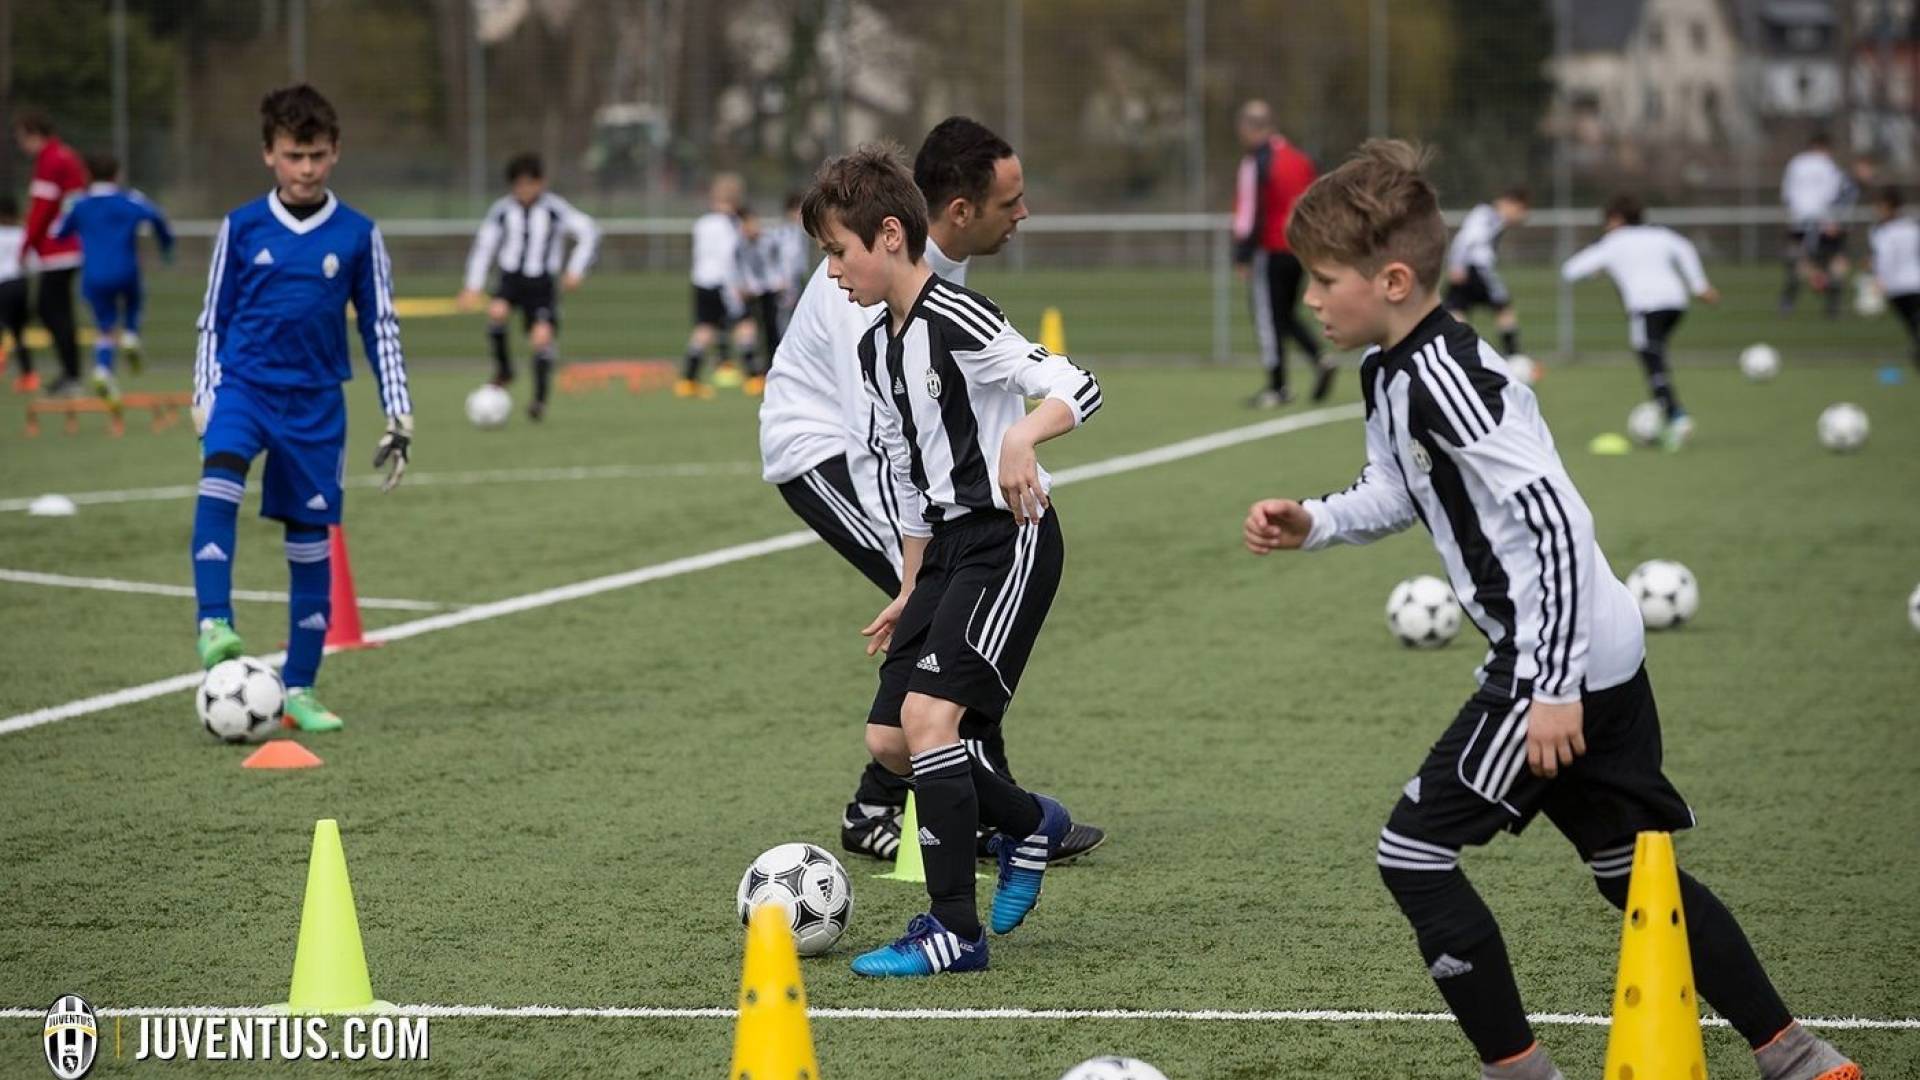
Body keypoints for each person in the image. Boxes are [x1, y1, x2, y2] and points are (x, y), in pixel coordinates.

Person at [1242, 139, 1861, 1080]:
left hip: (1554, 657)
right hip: (1594, 644)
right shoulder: (1391, 370)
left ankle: (1522, 1073)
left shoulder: (1444, 379)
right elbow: (1398, 489)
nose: (1312, 298)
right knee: (1632, 874)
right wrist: (1314, 520)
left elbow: (1559, 522)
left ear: (1394, 280)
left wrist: (1552, 686)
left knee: (1413, 855)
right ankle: (1799, 1056)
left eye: (1326, 280)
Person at [759, 116, 1105, 867]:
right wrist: (918, 570)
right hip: (819, 451)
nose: (1022, 214)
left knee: (951, 637)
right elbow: (878, 442)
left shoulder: (933, 281)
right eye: (1009, 202)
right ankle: (932, 810)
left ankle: (953, 802)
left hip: (903, 472)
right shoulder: (861, 285)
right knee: (939, 623)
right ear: (959, 211)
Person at [190, 84, 413, 733]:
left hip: (316, 405)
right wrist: (205, 393)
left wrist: (398, 413)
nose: (306, 169)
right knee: (220, 480)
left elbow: (381, 326)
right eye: (294, 155)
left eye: (317, 155)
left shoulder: (358, 234)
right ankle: (214, 622)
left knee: (310, 543)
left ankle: (302, 689)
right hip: (246, 387)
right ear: (269, 154)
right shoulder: (241, 226)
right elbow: (212, 318)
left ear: (336, 151)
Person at [1559, 196, 1717, 451]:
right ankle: (1664, 409)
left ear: (1616, 219)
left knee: (1651, 358)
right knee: (1654, 355)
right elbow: (1685, 248)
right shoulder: (1660, 234)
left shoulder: (1612, 242)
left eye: (1607, 222)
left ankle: (1677, 417)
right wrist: (1699, 285)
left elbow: (1569, 270)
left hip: (1646, 306)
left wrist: (1596, 270)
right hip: (1676, 303)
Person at [459, 151, 599, 420]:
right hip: (511, 278)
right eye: (519, 184)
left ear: (541, 183)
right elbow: (484, 247)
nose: (524, 190)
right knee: (497, 312)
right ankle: (504, 370)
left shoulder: (554, 209)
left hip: (542, 283)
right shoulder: (502, 211)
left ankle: (539, 400)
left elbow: (589, 232)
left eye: (529, 183)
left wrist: (575, 270)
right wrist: (472, 285)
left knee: (541, 338)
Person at [51, 151, 175, 402]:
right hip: (125, 270)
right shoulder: (129, 200)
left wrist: (69, 213)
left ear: (88, 174)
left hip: (93, 275)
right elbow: (157, 217)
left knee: (104, 326)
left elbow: (58, 232)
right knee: (134, 300)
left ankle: (103, 371)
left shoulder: (80, 204)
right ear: (117, 175)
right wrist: (166, 246)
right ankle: (130, 334)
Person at [1232, 99, 1332, 407]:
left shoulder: (1256, 162)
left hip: (1270, 249)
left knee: (1267, 318)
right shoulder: (1301, 159)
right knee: (1284, 316)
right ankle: (1319, 358)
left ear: (1250, 128)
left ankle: (1277, 386)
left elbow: (1249, 212)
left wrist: (1243, 254)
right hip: (1299, 250)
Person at [14, 109, 86, 396]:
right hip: (68, 245)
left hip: (58, 248)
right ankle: (71, 374)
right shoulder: (64, 155)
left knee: (51, 310)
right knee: (54, 310)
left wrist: (27, 244)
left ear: (34, 134)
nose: (21, 145)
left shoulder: (50, 160)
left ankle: (72, 375)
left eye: (22, 138)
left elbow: (42, 209)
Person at [681, 174, 754, 397]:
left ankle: (688, 379)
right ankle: (754, 376)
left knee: (704, 328)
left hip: (701, 280)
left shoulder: (702, 223)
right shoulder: (731, 225)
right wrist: (738, 286)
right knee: (745, 325)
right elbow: (729, 258)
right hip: (723, 283)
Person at [1444, 188, 1529, 357]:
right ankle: (1513, 356)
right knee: (1503, 309)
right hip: (1478, 269)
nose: (1521, 216)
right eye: (1520, 210)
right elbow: (1466, 239)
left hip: (1469, 268)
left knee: (1456, 311)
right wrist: (1456, 264)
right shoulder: (1487, 216)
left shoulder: (1492, 218)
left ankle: (1460, 355)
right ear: (1509, 203)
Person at [1779, 132, 1848, 317]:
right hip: (1824, 222)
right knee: (1835, 262)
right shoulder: (1828, 165)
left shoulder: (1796, 163)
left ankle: (1787, 302)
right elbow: (1833, 195)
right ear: (1823, 147)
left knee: (1801, 263)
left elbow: (1786, 193)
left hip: (1798, 222)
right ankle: (1833, 305)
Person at [732, 205, 783, 396]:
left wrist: (780, 282)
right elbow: (738, 268)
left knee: (771, 332)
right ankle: (752, 373)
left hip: (769, 291)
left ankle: (772, 371)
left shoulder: (769, 241)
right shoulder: (740, 246)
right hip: (750, 293)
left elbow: (778, 264)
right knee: (748, 330)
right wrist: (741, 286)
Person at [1868, 185, 1920, 371]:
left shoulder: (1884, 232)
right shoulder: (1912, 227)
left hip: (1897, 286)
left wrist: (1879, 280)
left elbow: (1885, 259)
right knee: (1914, 324)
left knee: (1913, 325)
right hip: (1916, 283)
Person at [0, 195, 30, 392]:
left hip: (3, 284)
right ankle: (28, 376)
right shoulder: (23, 233)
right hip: (20, 284)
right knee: (19, 333)